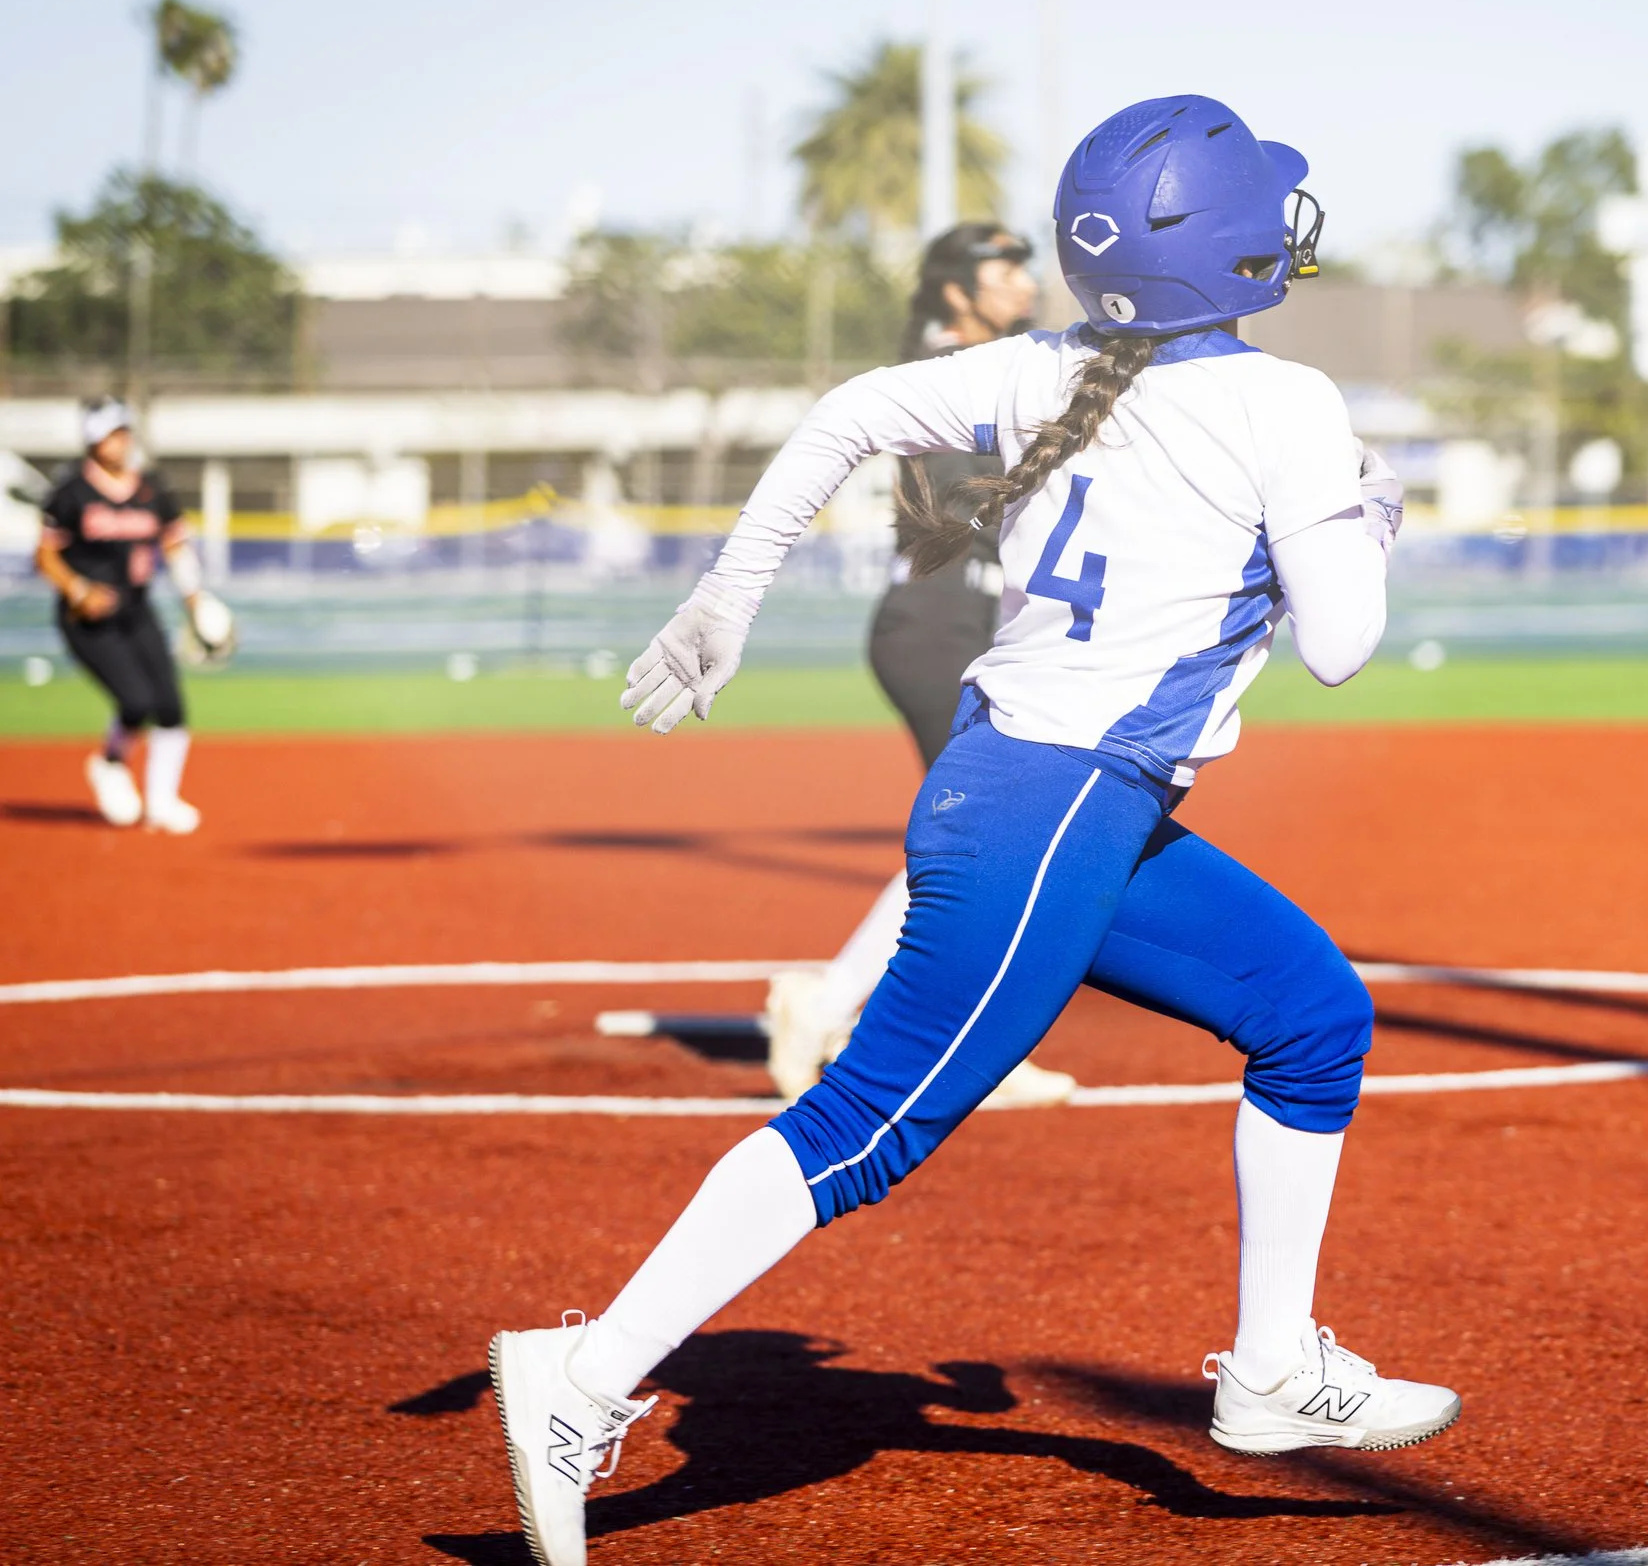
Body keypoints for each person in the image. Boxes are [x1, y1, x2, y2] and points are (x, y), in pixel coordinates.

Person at [489, 94, 1445, 1566]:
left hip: (1042, 789)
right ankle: (587, 1375)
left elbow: (846, 414)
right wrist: (1369, 513)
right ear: (1233, 248)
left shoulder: (1052, 363)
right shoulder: (1282, 404)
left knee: (1311, 1015)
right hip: (1059, 806)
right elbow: (1341, 647)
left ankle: (1269, 1370)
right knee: (864, 1128)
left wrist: (728, 593)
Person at [762, 222, 1075, 1109]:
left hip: (966, 616)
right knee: (987, 828)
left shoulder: (1000, 364)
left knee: (990, 830)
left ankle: (894, 1017)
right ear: (953, 290)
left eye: (1021, 264)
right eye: (1000, 268)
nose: (1021, 280)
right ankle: (829, 1005)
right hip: (937, 620)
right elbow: (971, 494)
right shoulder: (946, 368)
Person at [34, 398, 228, 833]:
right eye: (111, 434)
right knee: (136, 701)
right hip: (87, 619)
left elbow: (175, 546)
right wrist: (78, 589)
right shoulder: (72, 493)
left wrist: (195, 600)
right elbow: (45, 556)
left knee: (171, 707)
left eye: (125, 432)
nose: (121, 441)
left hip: (138, 610)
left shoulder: (151, 489)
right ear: (93, 441)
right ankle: (110, 762)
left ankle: (162, 802)